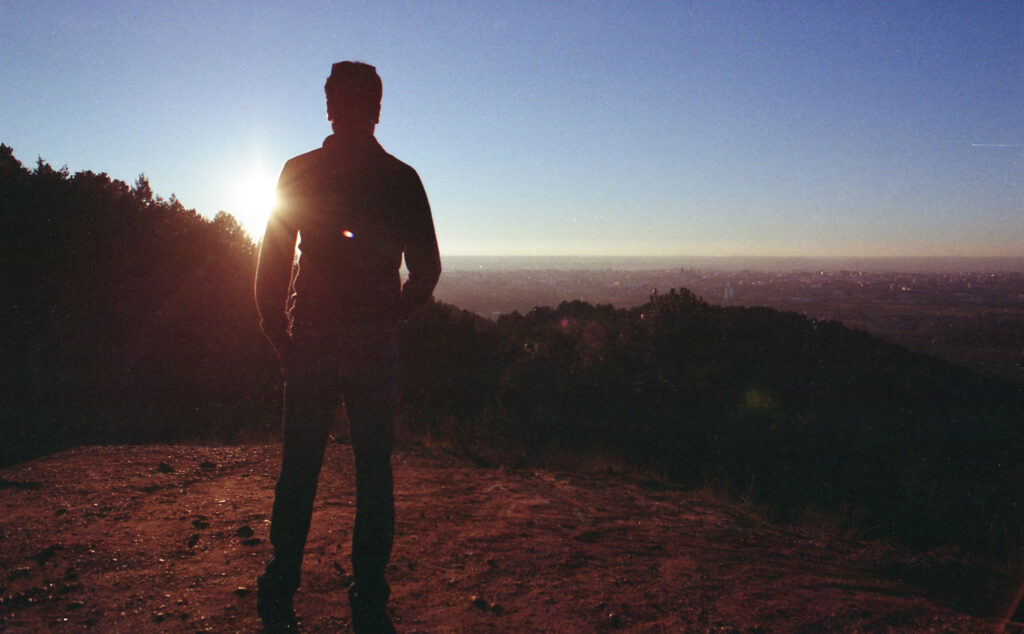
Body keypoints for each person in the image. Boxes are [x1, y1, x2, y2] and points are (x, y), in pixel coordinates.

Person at [254, 61, 441, 633]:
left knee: (299, 468)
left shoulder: (298, 171)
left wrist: (281, 338)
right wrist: (390, 316)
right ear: (378, 109)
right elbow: (427, 270)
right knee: (373, 471)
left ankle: (282, 581)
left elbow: (270, 270)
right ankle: (368, 593)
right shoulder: (401, 178)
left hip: (310, 339)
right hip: (371, 345)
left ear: (329, 107)